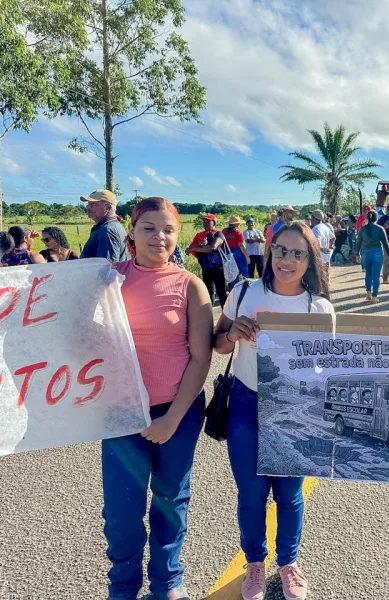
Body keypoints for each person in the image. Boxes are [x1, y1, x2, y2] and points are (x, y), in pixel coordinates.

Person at [214, 222, 333, 600]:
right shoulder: (244, 292)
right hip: (247, 406)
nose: (287, 259)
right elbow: (216, 344)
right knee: (251, 495)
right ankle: (254, 564)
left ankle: (288, 563)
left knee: (289, 495)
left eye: (298, 253)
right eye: (281, 250)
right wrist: (233, 335)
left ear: (310, 260)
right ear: (269, 251)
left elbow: (329, 368)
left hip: (294, 410)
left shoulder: (320, 307)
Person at [104, 197, 213, 600]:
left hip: (178, 412)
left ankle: (167, 582)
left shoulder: (190, 285)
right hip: (121, 413)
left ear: (177, 234)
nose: (159, 236)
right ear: (130, 231)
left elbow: (201, 358)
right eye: (149, 227)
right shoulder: (108, 280)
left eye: (167, 229)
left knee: (171, 499)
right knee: (121, 510)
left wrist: (171, 419)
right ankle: (123, 586)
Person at [187, 214, 228, 308]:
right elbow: (188, 250)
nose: (205, 223)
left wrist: (197, 248)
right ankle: (209, 317)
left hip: (218, 268)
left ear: (214, 222)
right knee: (208, 293)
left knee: (221, 292)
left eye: (207, 221)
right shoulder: (199, 236)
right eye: (204, 221)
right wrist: (199, 245)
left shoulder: (218, 234)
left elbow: (213, 247)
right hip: (205, 268)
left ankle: (226, 317)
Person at [80, 189, 130, 262]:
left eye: (93, 204)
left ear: (108, 207)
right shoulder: (110, 226)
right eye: (88, 204)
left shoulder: (107, 230)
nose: (88, 207)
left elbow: (106, 267)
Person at [355, 209, 389, 303]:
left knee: (368, 274)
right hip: (377, 252)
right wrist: (388, 253)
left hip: (366, 253)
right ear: (376, 218)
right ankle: (375, 296)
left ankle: (368, 293)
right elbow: (385, 242)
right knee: (376, 275)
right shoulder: (380, 229)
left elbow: (358, 242)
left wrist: (356, 253)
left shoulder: (362, 229)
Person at [223, 216, 250, 287]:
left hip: (228, 253)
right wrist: (247, 257)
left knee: (233, 272)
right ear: (237, 224)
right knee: (244, 271)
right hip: (237, 252)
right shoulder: (237, 232)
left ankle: (234, 288)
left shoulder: (224, 231)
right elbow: (241, 245)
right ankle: (246, 286)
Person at [310, 209, 334, 287]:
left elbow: (316, 244)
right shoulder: (325, 227)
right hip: (326, 258)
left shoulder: (316, 229)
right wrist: (329, 247)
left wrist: (322, 249)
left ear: (314, 218)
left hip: (319, 259)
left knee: (320, 282)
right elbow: (333, 238)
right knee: (326, 281)